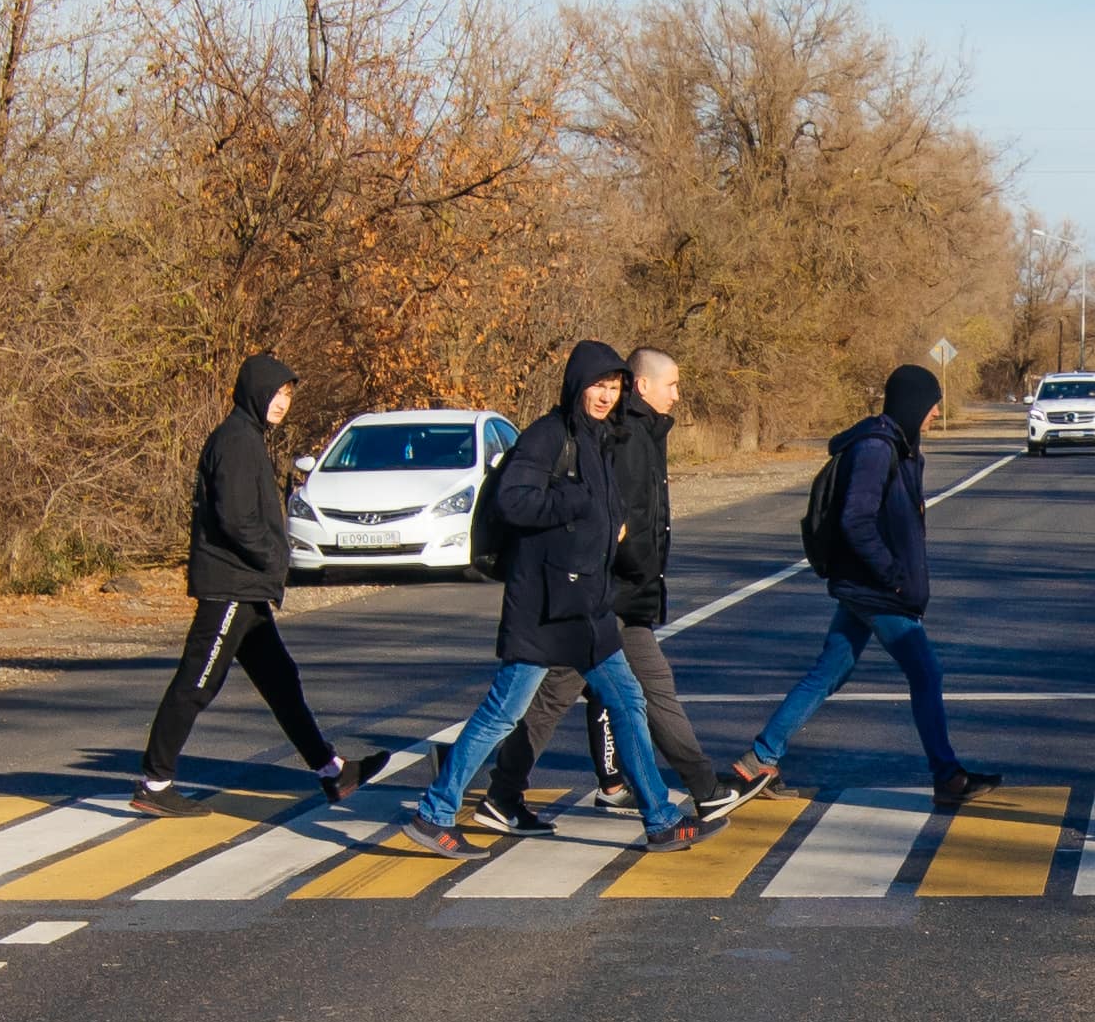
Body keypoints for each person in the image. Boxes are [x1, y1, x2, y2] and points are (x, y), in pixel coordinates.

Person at [424, 343, 703, 853]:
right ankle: (435, 811)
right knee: (502, 714)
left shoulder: (599, 438)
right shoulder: (549, 435)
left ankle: (661, 818)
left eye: (614, 386)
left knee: (628, 701)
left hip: (586, 606)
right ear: (577, 384)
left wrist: (611, 529)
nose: (605, 395)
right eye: (598, 384)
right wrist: (577, 501)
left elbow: (605, 511)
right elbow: (514, 500)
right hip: (544, 607)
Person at [132, 353, 387, 814]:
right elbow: (234, 519)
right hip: (231, 586)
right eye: (276, 393)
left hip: (246, 588)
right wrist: (273, 557)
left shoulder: (247, 438)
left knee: (281, 681)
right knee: (197, 682)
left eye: (288, 395)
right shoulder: (234, 441)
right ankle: (154, 783)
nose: (282, 403)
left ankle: (333, 771)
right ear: (254, 391)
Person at [734, 362, 998, 803]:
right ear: (913, 404)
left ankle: (759, 759)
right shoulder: (877, 449)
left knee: (830, 671)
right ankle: (948, 776)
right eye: (932, 405)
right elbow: (855, 519)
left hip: (866, 587)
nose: (936, 413)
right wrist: (893, 577)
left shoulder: (901, 446)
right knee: (926, 673)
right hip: (876, 591)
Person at [491, 344, 727, 823]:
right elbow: (613, 517)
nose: (678, 395)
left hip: (614, 592)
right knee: (623, 692)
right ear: (644, 386)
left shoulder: (637, 432)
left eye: (611, 387)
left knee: (566, 692)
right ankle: (700, 790)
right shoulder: (625, 437)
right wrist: (637, 567)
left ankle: (507, 792)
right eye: (672, 385)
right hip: (608, 592)